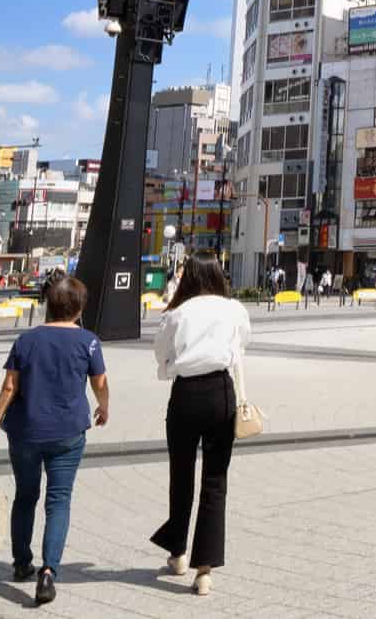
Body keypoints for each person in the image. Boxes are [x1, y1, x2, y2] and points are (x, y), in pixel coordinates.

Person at [0, 276, 109, 607]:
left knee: (25, 496)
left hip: (25, 431)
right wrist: (104, 407)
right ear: (80, 308)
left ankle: (22, 562)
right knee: (59, 500)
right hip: (68, 432)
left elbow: (9, 387)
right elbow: (100, 382)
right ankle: (49, 571)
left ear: (47, 305)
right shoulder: (89, 341)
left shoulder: (26, 340)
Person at [151, 255, 251, 596]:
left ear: (189, 277)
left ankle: (177, 553)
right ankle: (204, 570)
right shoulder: (234, 309)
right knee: (215, 481)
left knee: (181, 475)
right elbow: (242, 345)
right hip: (221, 392)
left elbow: (161, 355)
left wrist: (173, 370)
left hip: (186, 395)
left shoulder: (177, 313)